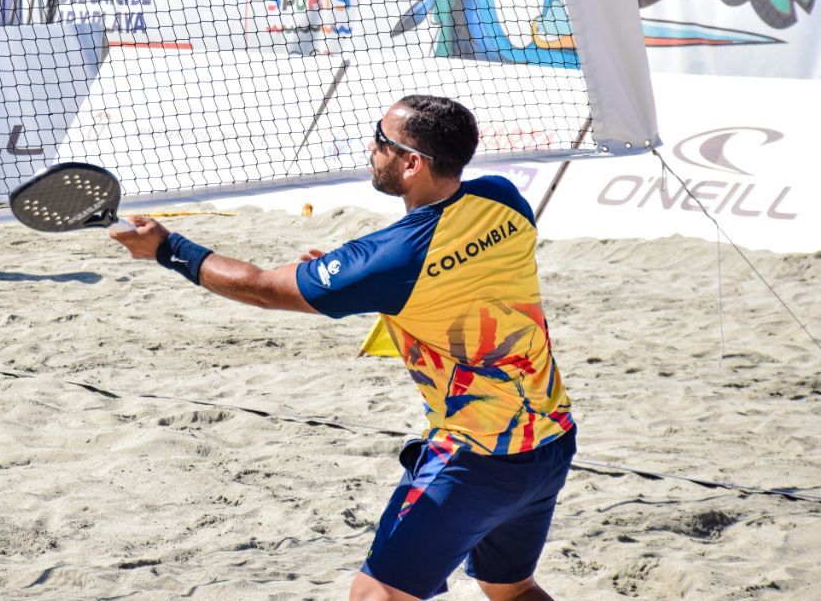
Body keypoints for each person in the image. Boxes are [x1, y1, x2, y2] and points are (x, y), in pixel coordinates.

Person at [111, 95, 576, 601]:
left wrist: (167, 248)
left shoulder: (388, 258)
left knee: (375, 596)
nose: (370, 147)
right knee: (510, 589)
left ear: (412, 162)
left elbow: (261, 287)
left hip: (477, 456)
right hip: (550, 438)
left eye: (381, 140)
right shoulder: (502, 197)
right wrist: (355, 280)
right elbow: (451, 276)